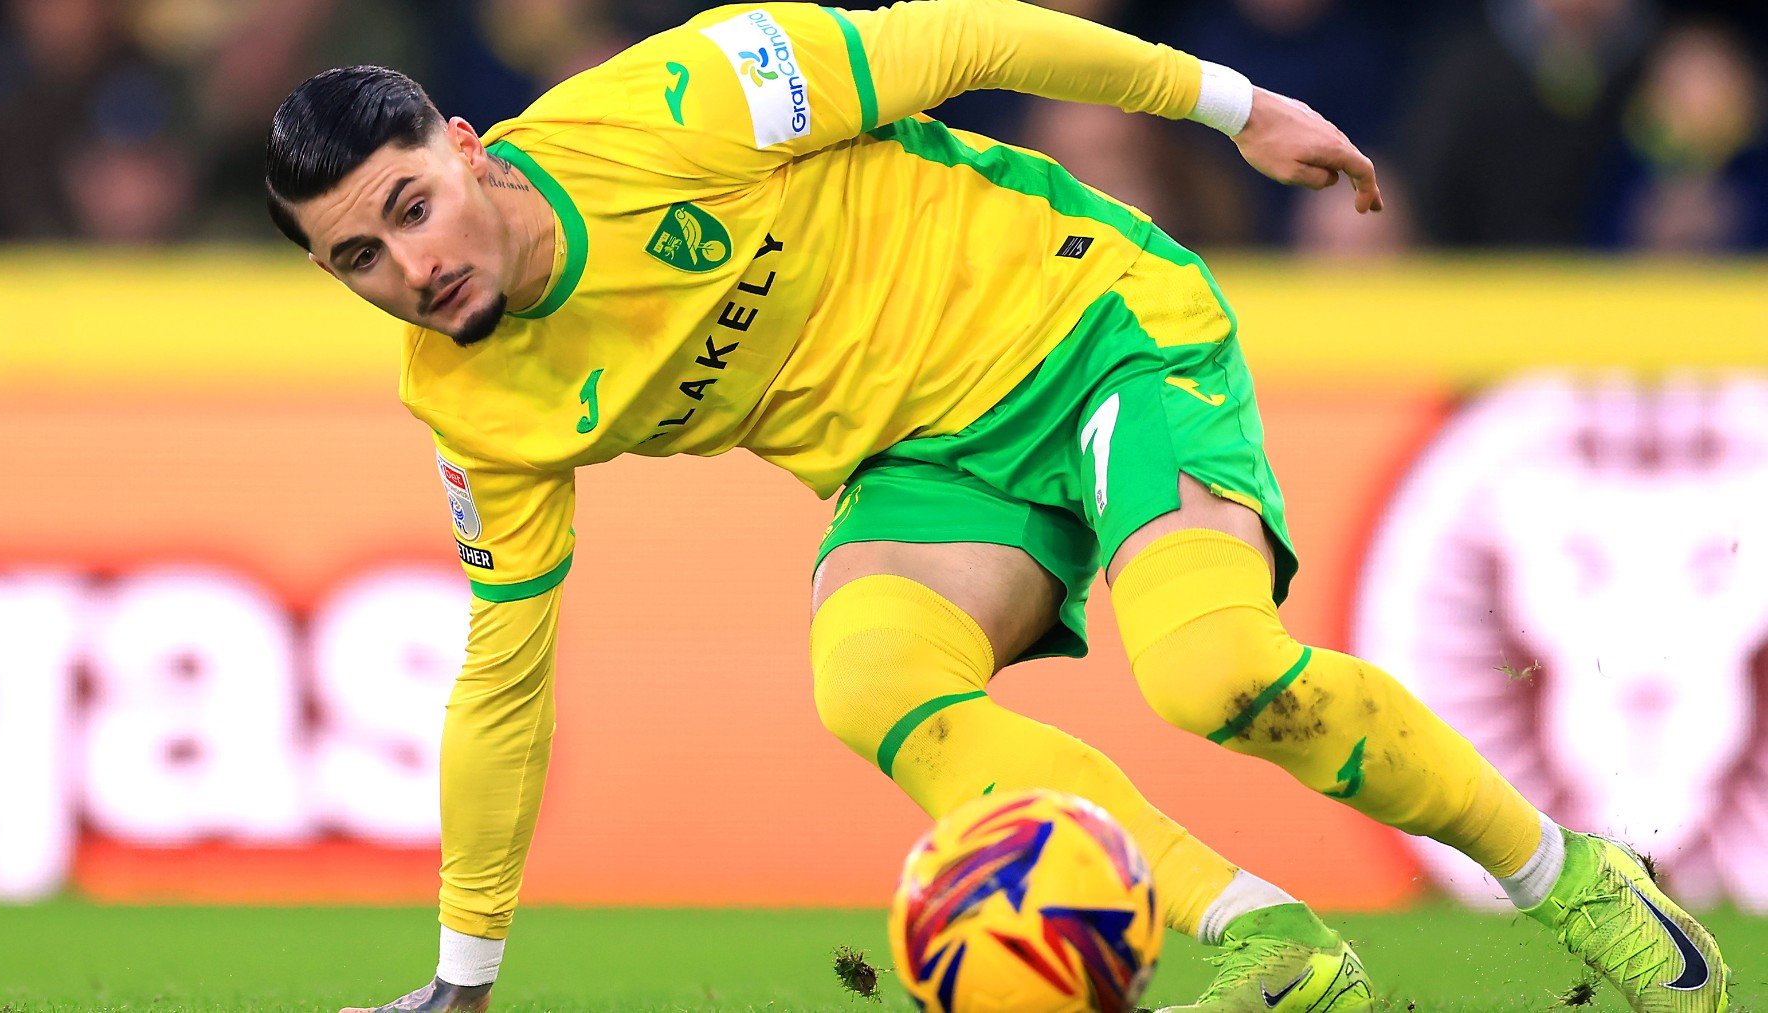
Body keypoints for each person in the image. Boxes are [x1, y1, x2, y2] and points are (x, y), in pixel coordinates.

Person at [262, 1, 1730, 1010]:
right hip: (925, 463)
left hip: (1086, 326)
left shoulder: (678, 104)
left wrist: (1237, 106)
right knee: (870, 679)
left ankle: (1570, 874)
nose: (413, 267)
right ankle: (1264, 940)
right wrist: (465, 972)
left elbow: (965, 37)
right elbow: (502, 672)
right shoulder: (469, 398)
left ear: (464, 145)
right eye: (358, 262)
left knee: (1212, 670)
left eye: (408, 207)